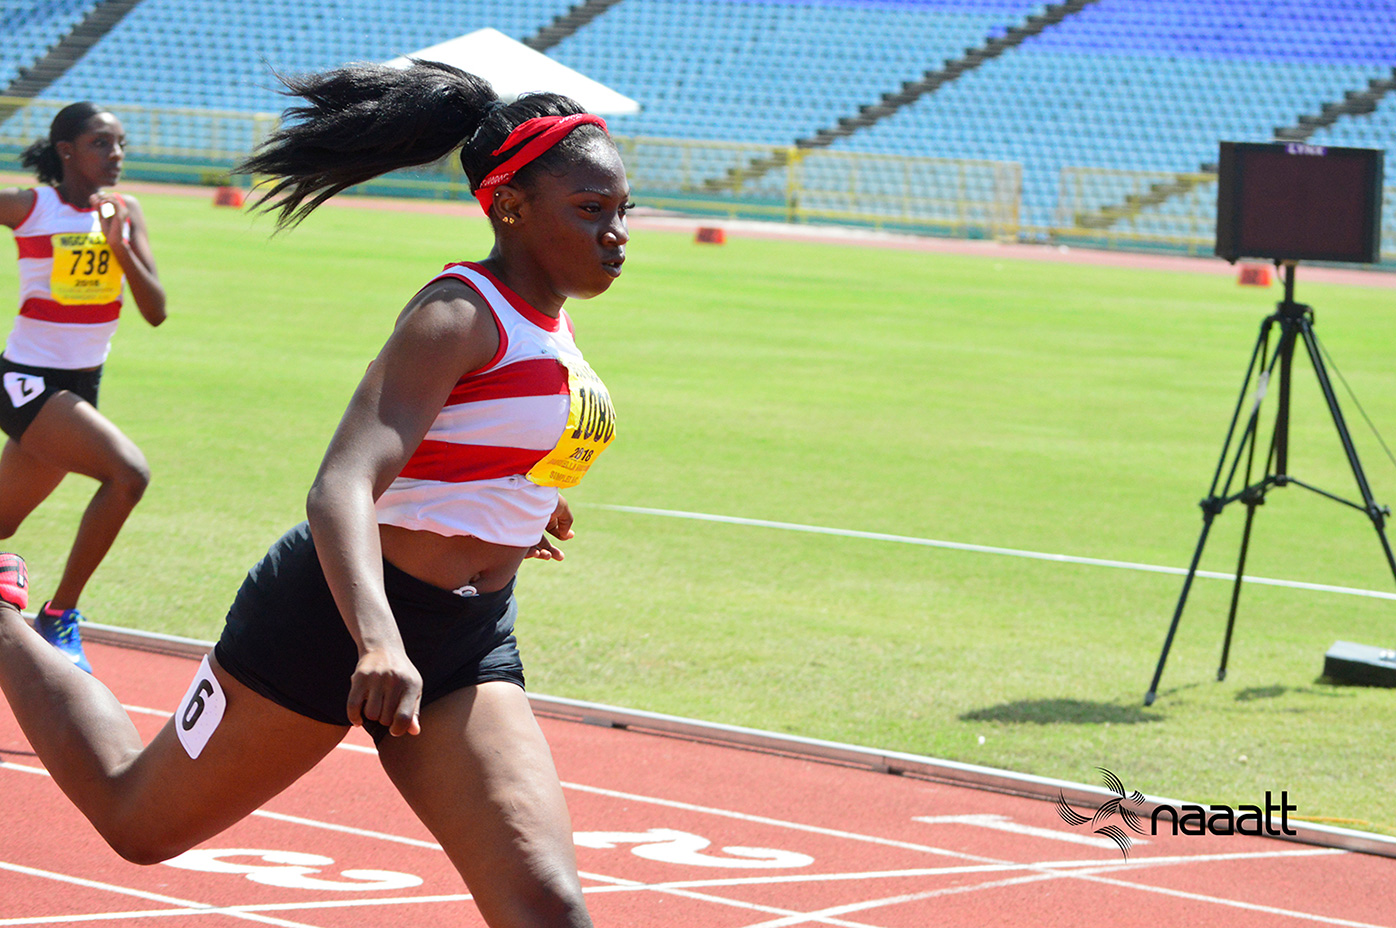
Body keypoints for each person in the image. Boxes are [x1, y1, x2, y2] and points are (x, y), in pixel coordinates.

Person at [0, 59, 625, 928]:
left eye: (622, 210)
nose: (616, 233)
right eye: (590, 210)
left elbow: (484, 437)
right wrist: (378, 642)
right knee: (137, 820)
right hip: (335, 619)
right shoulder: (456, 313)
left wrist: (517, 504)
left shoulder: (553, 326)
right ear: (512, 206)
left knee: (546, 906)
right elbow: (340, 485)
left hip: (466, 637)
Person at [0, 101, 166, 673]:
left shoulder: (126, 211)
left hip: (80, 387)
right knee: (128, 475)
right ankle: (58, 615)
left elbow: (156, 311)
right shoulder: (30, 206)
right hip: (26, 382)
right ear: (66, 150)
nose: (116, 154)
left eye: (120, 143)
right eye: (101, 143)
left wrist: (120, 246)